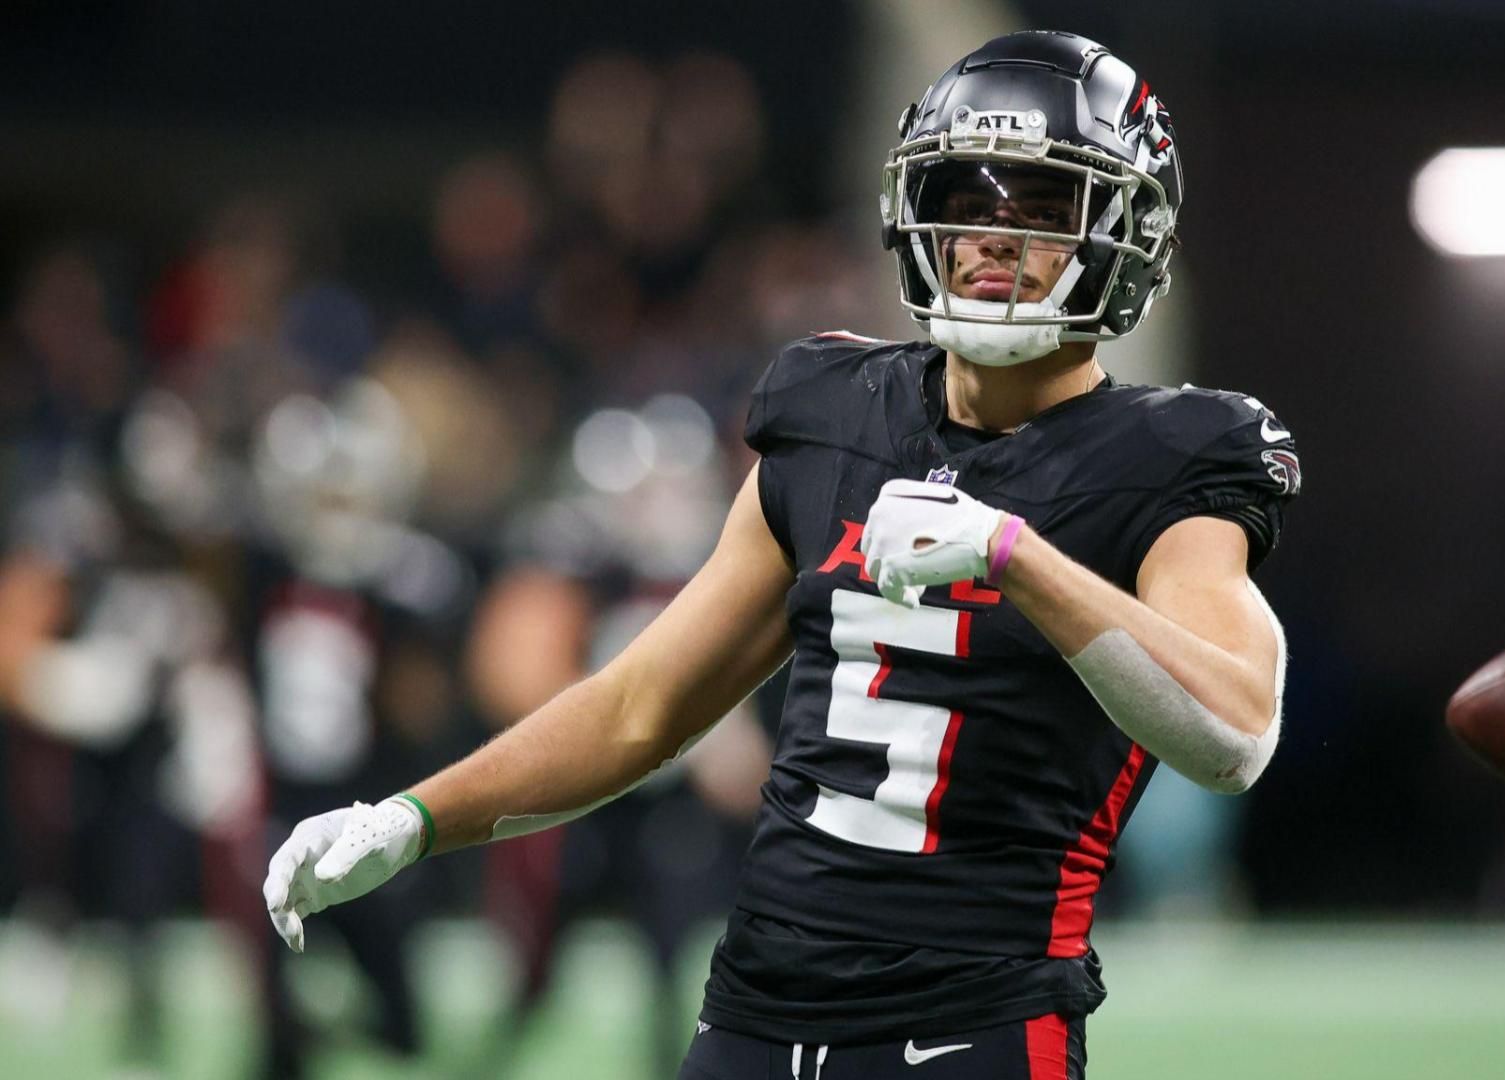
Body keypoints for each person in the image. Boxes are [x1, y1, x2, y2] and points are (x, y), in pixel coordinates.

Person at [262, 30, 1298, 1080]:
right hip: (752, 1018)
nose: (990, 236)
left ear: (1126, 229)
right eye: (963, 197)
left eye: (1036, 204)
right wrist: (412, 818)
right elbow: (640, 706)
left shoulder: (1173, 454)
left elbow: (1233, 732)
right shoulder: (836, 412)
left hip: (976, 1025)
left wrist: (1015, 555)